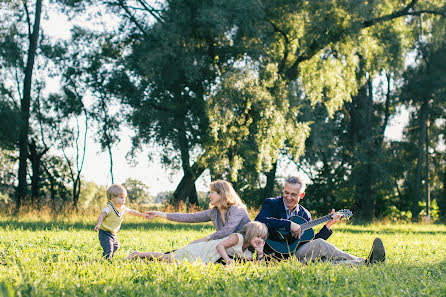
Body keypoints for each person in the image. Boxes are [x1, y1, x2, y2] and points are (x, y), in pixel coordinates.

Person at [255, 176, 386, 265]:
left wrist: (328, 226)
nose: (288, 197)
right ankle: (365, 262)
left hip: (294, 255)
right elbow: (259, 221)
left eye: (293, 194)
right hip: (272, 253)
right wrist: (289, 224)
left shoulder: (304, 214)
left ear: (302, 195)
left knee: (323, 259)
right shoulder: (271, 203)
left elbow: (309, 243)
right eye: (286, 192)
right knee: (321, 250)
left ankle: (365, 263)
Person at [145, 180, 251, 243]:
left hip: (243, 247)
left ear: (221, 194)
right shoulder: (214, 212)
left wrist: (206, 239)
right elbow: (190, 217)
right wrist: (159, 214)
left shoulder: (237, 209)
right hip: (225, 246)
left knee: (198, 246)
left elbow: (227, 231)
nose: (209, 196)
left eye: (212, 192)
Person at [126, 221, 268, 264]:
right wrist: (227, 259)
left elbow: (256, 265)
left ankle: (145, 259)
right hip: (200, 251)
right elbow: (220, 246)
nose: (260, 240)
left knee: (170, 262)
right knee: (168, 258)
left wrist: (261, 252)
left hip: (205, 258)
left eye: (262, 238)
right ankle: (138, 254)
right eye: (258, 236)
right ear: (250, 234)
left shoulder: (248, 251)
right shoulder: (237, 238)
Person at [94, 184, 149, 259]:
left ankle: (109, 256)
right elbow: (102, 215)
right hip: (105, 233)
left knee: (116, 247)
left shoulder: (122, 208)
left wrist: (141, 215)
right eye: (121, 198)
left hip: (113, 233)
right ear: (113, 198)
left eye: (124, 198)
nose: (124, 200)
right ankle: (105, 260)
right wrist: (98, 224)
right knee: (108, 248)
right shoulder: (109, 208)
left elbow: (131, 211)